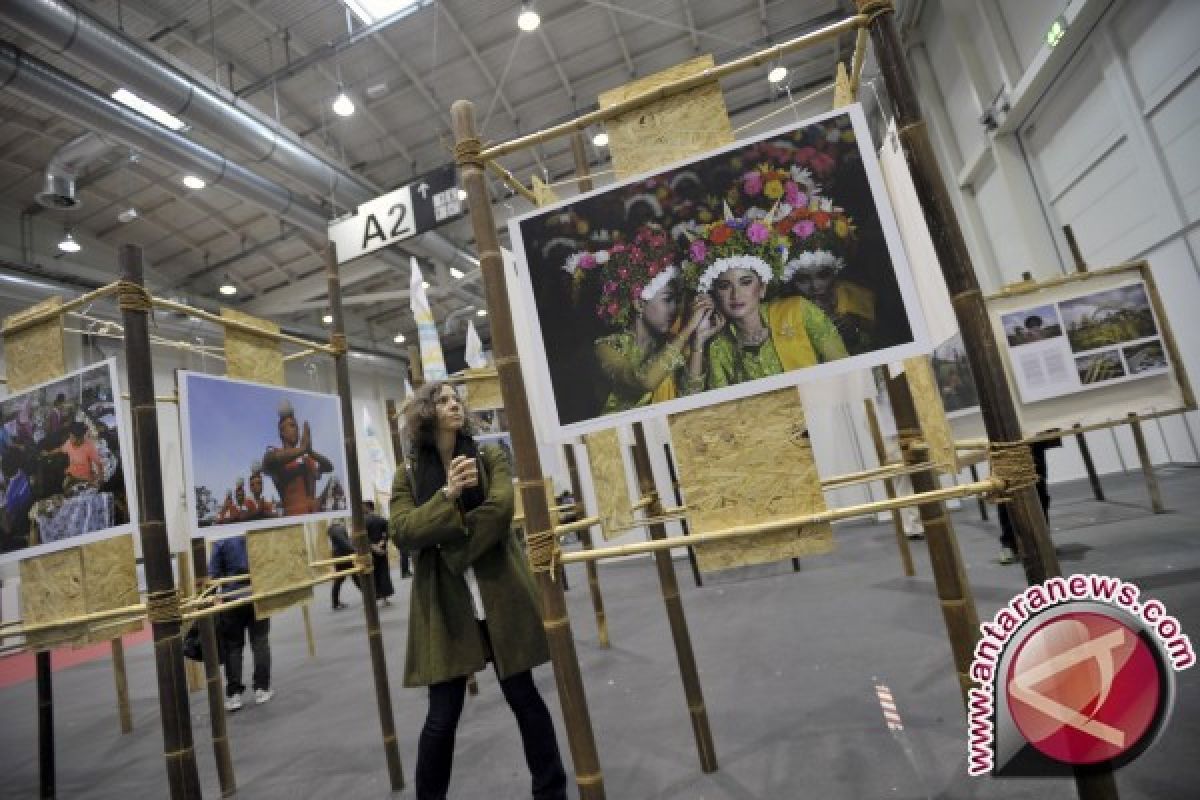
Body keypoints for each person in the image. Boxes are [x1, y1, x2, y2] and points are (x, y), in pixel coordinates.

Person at [390, 382, 567, 800]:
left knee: (523, 696)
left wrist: (447, 545)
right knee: (443, 714)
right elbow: (402, 532)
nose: (455, 404)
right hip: (447, 605)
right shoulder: (409, 474)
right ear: (426, 414)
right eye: (444, 400)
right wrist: (448, 496)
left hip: (498, 594)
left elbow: (501, 509)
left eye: (457, 399)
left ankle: (551, 790)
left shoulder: (489, 456)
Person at [576, 227, 722, 412]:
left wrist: (697, 343)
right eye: (668, 299)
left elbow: (691, 400)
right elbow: (645, 381)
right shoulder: (607, 348)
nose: (675, 308)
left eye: (677, 300)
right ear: (639, 304)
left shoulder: (675, 344)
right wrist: (686, 331)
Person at [208, 535, 273, 710]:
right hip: (257, 595)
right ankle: (262, 688)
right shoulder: (255, 534)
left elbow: (213, 573)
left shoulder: (221, 538)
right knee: (260, 643)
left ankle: (234, 695)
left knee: (233, 648)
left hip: (231, 598)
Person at [262, 400, 334, 516]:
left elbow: (329, 467)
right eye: (292, 426)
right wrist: (302, 449)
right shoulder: (275, 454)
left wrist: (310, 452)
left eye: (296, 426)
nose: (296, 429)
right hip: (294, 518)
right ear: (282, 432)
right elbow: (267, 463)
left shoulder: (307, 459)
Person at [363, 500, 395, 604]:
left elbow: (363, 537)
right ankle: (385, 598)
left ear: (367, 507)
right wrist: (382, 543)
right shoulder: (382, 519)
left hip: (369, 551)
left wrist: (373, 546)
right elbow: (388, 533)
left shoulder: (363, 521)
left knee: (372, 574)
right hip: (382, 550)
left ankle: (374, 598)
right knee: (383, 572)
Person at [327, 520, 361, 610]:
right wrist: (355, 550)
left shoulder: (333, 530)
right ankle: (368, 595)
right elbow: (344, 543)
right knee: (353, 576)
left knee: (343, 578)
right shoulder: (339, 529)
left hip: (339, 556)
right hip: (343, 556)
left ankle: (335, 602)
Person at [58, 422, 103, 487]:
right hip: (72, 474)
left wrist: (101, 480)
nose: (70, 439)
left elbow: (99, 464)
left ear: (80, 438)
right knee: (64, 486)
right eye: (70, 436)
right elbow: (61, 449)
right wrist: (48, 453)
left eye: (73, 437)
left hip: (85, 478)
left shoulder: (89, 446)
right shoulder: (69, 443)